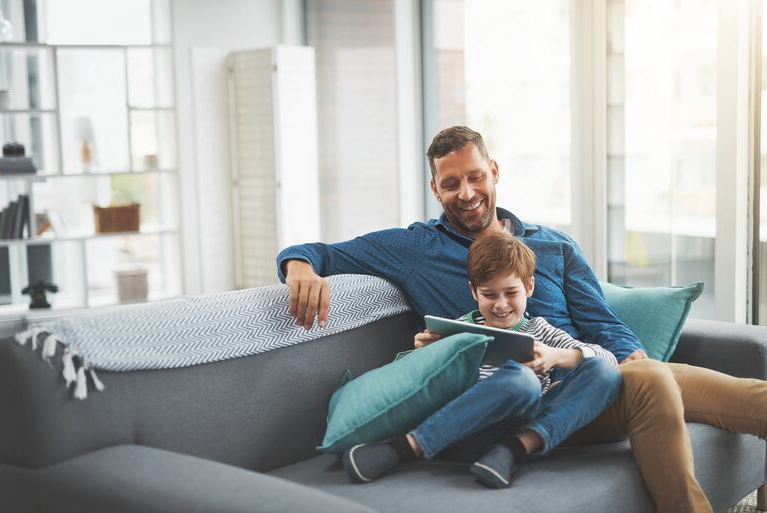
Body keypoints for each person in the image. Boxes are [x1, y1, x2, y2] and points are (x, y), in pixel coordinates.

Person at [277, 126, 767, 513]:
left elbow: (600, 320)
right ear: (435, 188)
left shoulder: (552, 244)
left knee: (721, 389)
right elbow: (317, 251)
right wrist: (299, 267)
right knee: (652, 383)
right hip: (520, 395)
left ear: (493, 171)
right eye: (450, 184)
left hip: (584, 375)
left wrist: (632, 356)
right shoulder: (416, 250)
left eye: (475, 177)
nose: (466, 193)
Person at [341, 232, 622, 488]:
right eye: (489, 294)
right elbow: (408, 379)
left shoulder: (540, 331)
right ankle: (406, 447)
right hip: (466, 429)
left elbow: (607, 358)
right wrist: (423, 353)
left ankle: (513, 450)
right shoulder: (456, 329)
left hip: (525, 431)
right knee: (522, 381)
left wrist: (554, 356)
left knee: (605, 371)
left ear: (529, 287)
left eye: (511, 293)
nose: (501, 305)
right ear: (474, 291)